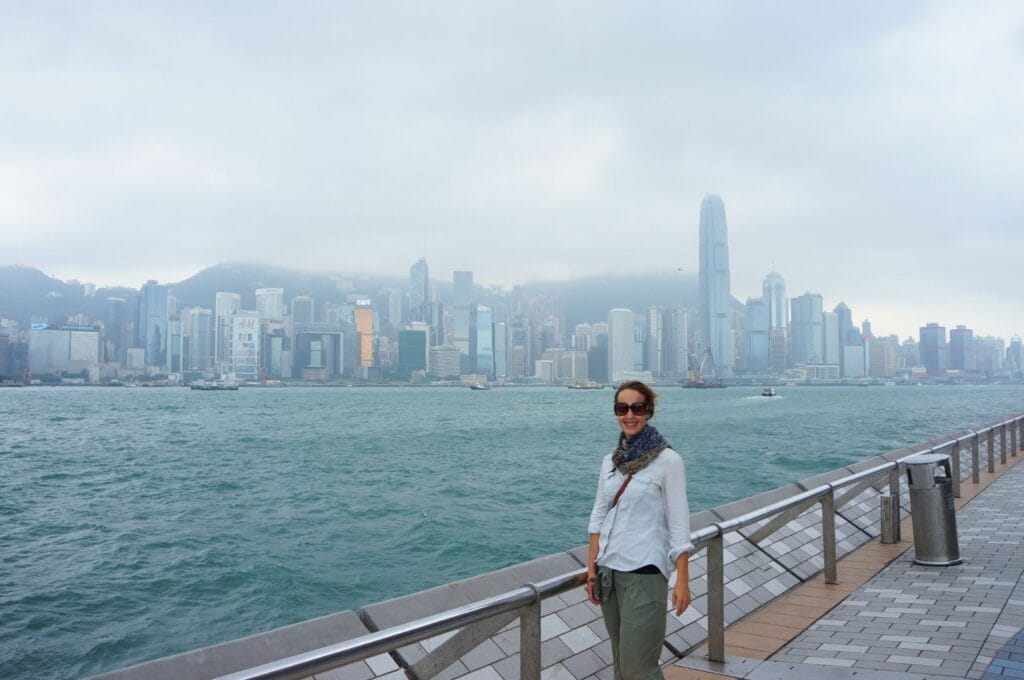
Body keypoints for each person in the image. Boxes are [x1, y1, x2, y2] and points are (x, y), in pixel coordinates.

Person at [586, 380, 692, 680]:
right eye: (622, 408)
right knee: (621, 664)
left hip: (644, 574)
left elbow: (679, 522)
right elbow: (598, 515)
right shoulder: (611, 461)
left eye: (637, 407)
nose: (629, 415)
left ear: (649, 411)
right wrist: (591, 569)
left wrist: (682, 580)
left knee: (639, 669)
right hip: (608, 573)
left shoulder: (668, 460)